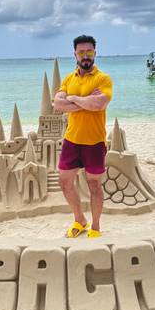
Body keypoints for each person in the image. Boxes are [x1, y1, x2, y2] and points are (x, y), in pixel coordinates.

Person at [53, 35, 113, 238]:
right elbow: (57, 105)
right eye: (81, 52)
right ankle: (80, 220)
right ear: (75, 54)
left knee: (94, 185)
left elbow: (99, 104)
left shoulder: (103, 79)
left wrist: (73, 99)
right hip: (72, 140)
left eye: (89, 52)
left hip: (94, 141)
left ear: (95, 53)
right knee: (64, 181)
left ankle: (95, 227)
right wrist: (86, 101)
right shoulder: (69, 79)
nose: (85, 56)